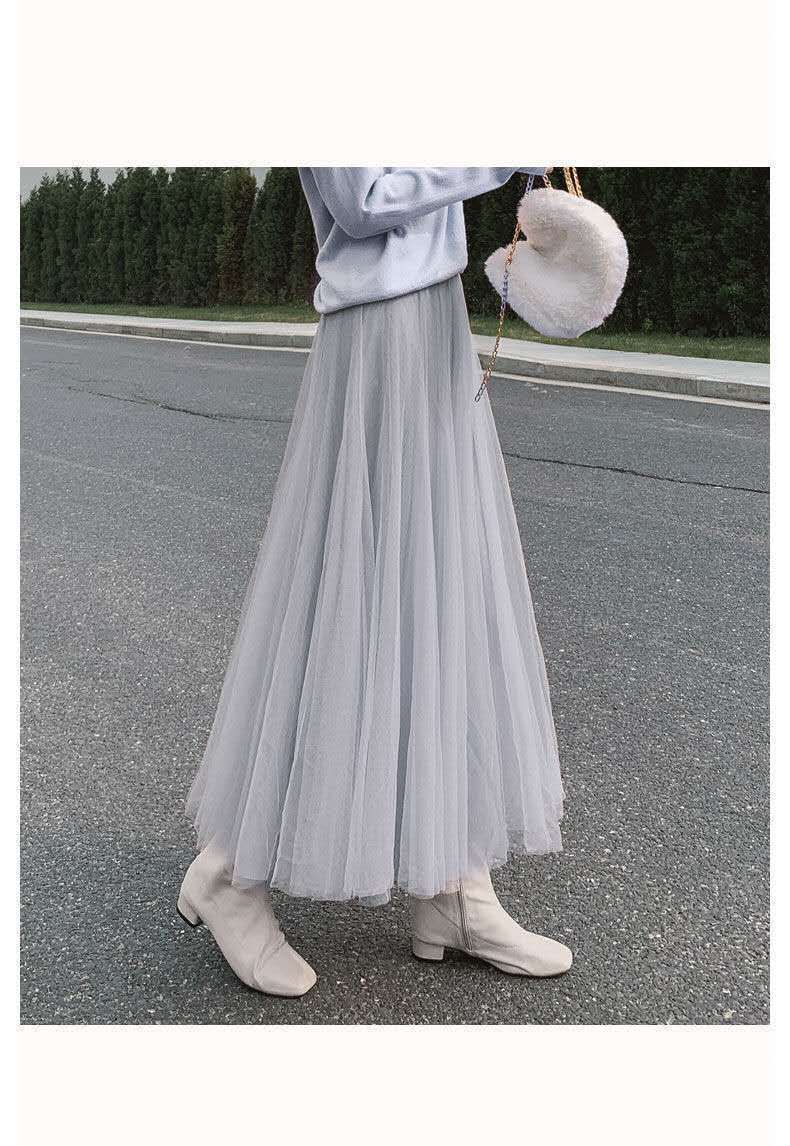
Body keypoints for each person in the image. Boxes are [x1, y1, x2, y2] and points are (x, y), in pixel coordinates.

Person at [178, 168, 572, 997]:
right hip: (377, 334)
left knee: (443, 593)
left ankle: (454, 886)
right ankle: (228, 873)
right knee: (346, 599)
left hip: (434, 320)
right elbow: (362, 201)